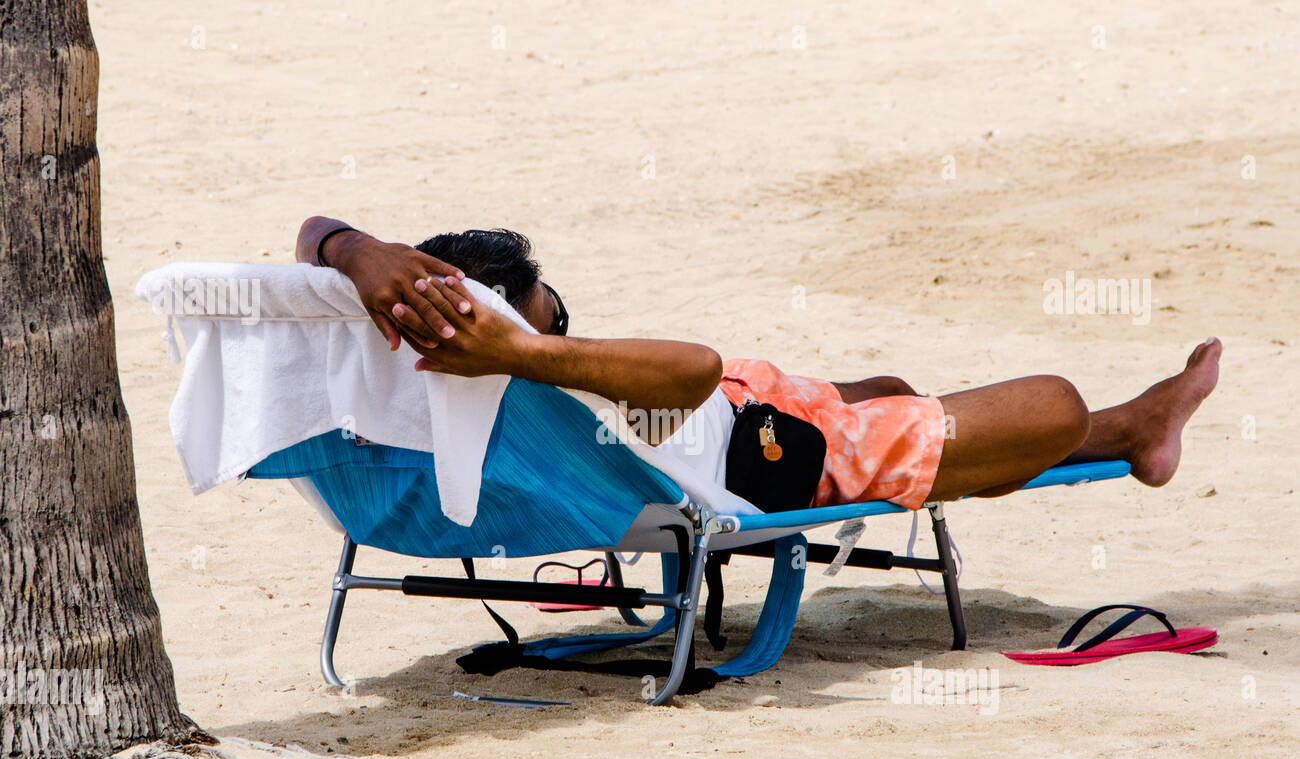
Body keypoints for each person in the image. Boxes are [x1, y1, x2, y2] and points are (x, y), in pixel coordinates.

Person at [296, 216, 1221, 510]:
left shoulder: (398, 365)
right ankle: (1133, 429)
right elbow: (695, 369)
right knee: (1054, 406)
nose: (564, 325)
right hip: (762, 455)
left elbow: (304, 234)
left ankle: (1129, 428)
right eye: (555, 313)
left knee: (891, 388)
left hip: (755, 413)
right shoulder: (549, 375)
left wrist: (347, 250)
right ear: (509, 323)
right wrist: (540, 352)